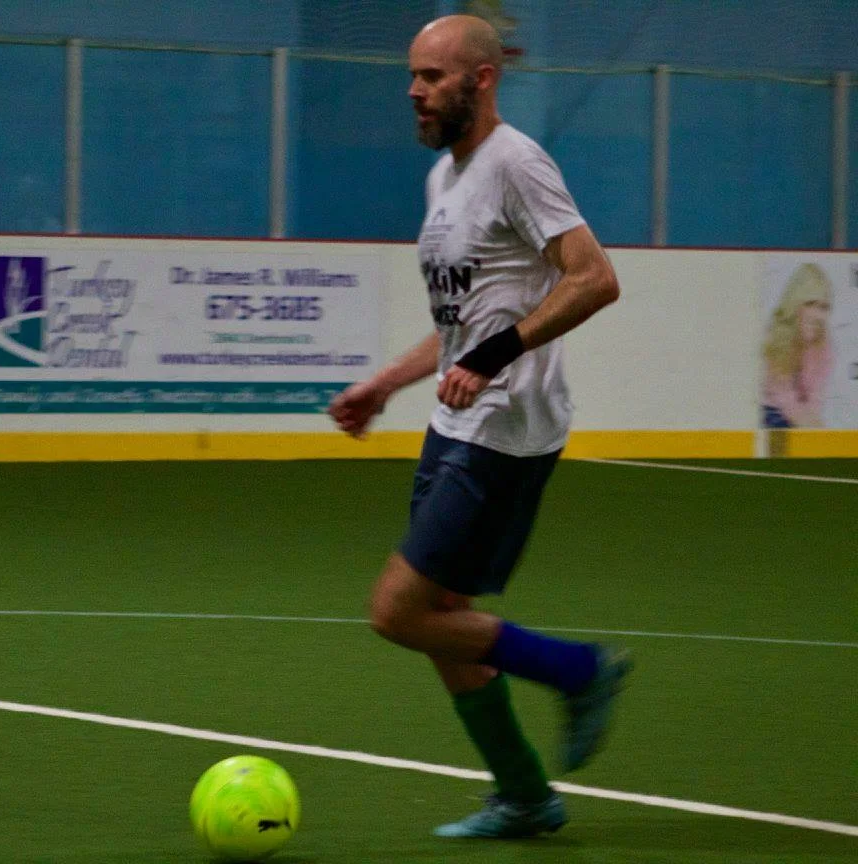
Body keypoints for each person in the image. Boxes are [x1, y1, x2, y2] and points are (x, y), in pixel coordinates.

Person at [327, 14, 630, 840]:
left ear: (482, 79)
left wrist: (496, 355)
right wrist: (384, 385)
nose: (414, 91)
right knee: (443, 619)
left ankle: (579, 671)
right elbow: (462, 327)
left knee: (398, 611)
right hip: (455, 423)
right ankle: (526, 797)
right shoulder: (445, 179)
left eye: (431, 77)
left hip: (506, 430)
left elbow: (594, 278)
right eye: (412, 76)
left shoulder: (516, 164)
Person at [761, 263, 834, 429]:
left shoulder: (825, 346)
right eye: (810, 304)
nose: (817, 314)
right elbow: (783, 395)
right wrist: (808, 426)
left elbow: (815, 398)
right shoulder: (774, 336)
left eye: (823, 307)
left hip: (800, 414)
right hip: (770, 410)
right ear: (795, 303)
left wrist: (814, 426)